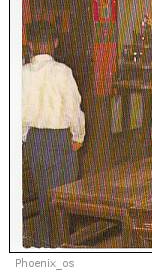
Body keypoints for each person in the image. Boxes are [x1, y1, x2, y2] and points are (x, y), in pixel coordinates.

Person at [22, 21, 85, 247]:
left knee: (44, 195)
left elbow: (17, 112)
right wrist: (78, 136)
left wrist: (24, 140)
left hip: (35, 140)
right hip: (59, 141)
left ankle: (44, 246)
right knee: (62, 199)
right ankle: (56, 246)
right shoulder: (62, 72)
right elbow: (73, 108)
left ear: (29, 44)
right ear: (55, 43)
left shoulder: (22, 73)